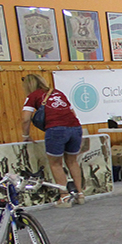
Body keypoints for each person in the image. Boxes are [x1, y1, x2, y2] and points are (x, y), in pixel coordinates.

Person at [20, 73, 85, 208]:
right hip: (75, 127)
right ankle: (80, 194)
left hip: (56, 129)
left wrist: (25, 135)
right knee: (72, 161)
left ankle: (64, 196)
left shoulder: (33, 96)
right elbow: (73, 113)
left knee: (56, 164)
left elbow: (26, 118)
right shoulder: (58, 93)